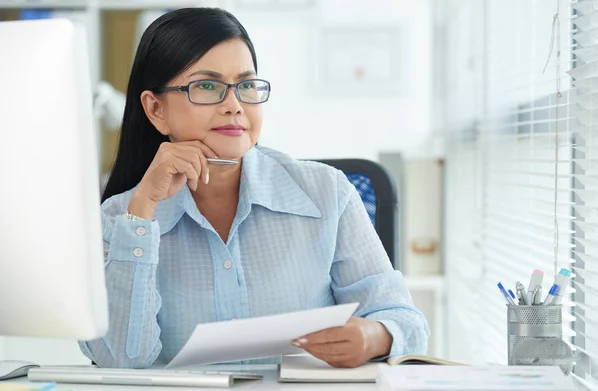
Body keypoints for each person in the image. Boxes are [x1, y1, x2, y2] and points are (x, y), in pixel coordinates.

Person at [81, 7, 429, 369]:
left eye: (246, 86)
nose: (233, 106)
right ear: (156, 110)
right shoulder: (119, 220)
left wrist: (374, 337)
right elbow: (119, 361)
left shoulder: (328, 193)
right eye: (207, 86)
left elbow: (406, 321)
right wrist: (143, 211)